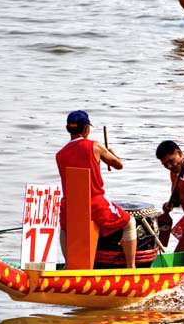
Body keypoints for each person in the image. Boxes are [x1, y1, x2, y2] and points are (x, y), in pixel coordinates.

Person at [55, 110, 136, 268]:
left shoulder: (60, 154)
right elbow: (118, 165)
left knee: (64, 229)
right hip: (95, 203)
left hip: (70, 205)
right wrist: (111, 153)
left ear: (67, 129)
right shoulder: (95, 146)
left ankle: (68, 265)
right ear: (86, 129)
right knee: (129, 223)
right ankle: (131, 267)